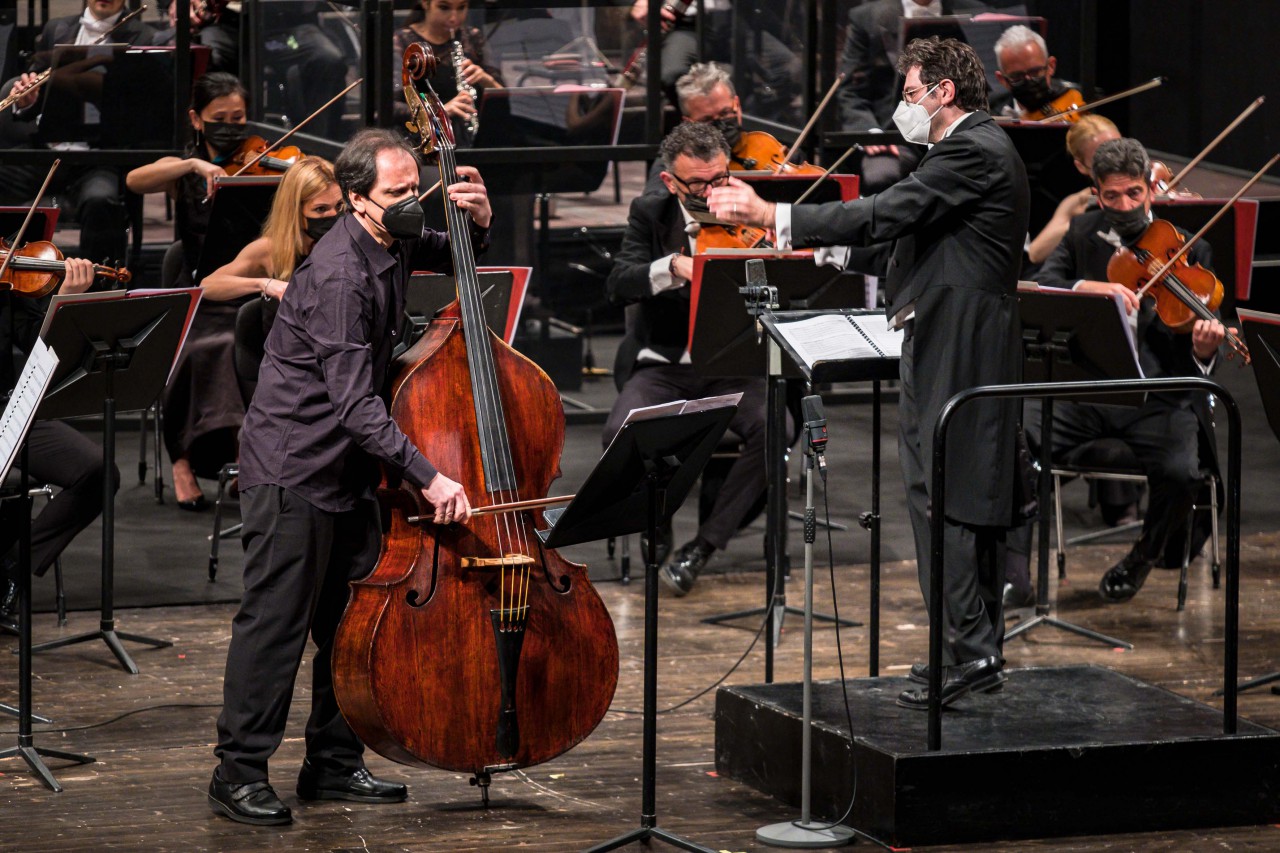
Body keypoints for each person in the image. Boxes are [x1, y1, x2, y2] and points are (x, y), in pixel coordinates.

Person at [711, 36, 1029, 707]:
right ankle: (967, 647)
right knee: (946, 486)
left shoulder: (972, 147)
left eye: (910, 93)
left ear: (944, 92)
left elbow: (886, 212)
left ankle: (970, 651)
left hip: (960, 338)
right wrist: (821, 252)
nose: (901, 109)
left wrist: (776, 213)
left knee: (945, 488)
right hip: (951, 332)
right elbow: (906, 247)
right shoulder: (967, 154)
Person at [208, 127, 489, 826]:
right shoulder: (338, 273)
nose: (410, 205)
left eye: (414, 189)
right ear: (357, 200)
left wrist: (479, 219)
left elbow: (456, 253)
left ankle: (332, 762)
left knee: (353, 626)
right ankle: (236, 772)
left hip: (350, 470)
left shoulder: (388, 242)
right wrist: (429, 476)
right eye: (397, 195)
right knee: (276, 626)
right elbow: (355, 404)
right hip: (295, 467)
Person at [1017, 137, 1227, 605]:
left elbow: (1202, 346)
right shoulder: (1082, 232)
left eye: (1134, 194)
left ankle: (1144, 555)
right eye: (1111, 196)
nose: (1124, 206)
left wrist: (1203, 349)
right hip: (1092, 390)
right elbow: (1045, 284)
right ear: (1096, 192)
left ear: (1151, 189)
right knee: (1017, 442)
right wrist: (1089, 286)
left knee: (1180, 471)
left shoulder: (1191, 247)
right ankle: (1013, 574)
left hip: (1159, 397)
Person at [604, 121, 771, 597]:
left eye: (718, 178)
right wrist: (673, 266)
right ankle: (654, 521)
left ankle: (703, 546)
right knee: (619, 432)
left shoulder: (750, 207)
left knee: (773, 426)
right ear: (670, 182)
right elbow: (619, 282)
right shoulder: (650, 211)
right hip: (665, 365)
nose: (710, 190)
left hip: (731, 364)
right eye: (697, 183)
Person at [126, 72, 252, 511]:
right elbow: (135, 180)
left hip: (247, 290)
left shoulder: (258, 161)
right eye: (220, 118)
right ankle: (181, 460)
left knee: (245, 343)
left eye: (239, 117)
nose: (232, 126)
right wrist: (194, 165)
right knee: (198, 349)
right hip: (197, 298)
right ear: (196, 119)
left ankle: (244, 455)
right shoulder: (184, 170)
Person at [0, 259, 118, 625]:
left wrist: (64, 301)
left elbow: (42, 346)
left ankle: (12, 571)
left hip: (7, 408)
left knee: (98, 471)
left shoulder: (6, 284)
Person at [0, 0, 154, 266]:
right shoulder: (56, 28)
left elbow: (142, 106)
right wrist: (27, 100)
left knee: (100, 200)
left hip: (98, 159)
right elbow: (37, 94)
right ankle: (10, 277)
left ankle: (97, 287)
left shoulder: (144, 35)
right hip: (46, 153)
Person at [836, 0, 986, 195]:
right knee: (881, 175)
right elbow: (850, 91)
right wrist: (870, 133)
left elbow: (986, 83)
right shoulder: (866, 18)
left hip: (955, 130)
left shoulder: (973, 11)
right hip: (893, 136)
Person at [202, 155, 342, 306]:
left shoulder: (345, 240)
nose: (334, 216)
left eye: (339, 205)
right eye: (321, 209)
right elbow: (207, 286)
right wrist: (264, 284)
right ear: (294, 211)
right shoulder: (269, 249)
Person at [628, 0, 798, 122]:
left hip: (734, 18)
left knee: (793, 71)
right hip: (684, 23)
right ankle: (700, 129)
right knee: (672, 74)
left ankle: (746, 126)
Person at [392, 0, 503, 141]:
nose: (454, 18)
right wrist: (439, 112)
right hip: (423, 139)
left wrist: (486, 80)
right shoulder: (402, 40)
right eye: (444, 8)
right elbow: (390, 106)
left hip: (475, 137)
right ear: (425, 4)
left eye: (462, 7)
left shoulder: (472, 37)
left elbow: (504, 96)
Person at [1025, 114, 1121, 266]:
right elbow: (1036, 253)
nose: (1116, 162)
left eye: (1119, 149)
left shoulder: (1149, 185)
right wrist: (1087, 221)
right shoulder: (1079, 202)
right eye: (1101, 158)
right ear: (1081, 166)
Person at [989, 24, 1080, 122]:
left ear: (1051, 66)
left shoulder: (1077, 100)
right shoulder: (989, 112)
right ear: (1002, 79)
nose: (1029, 81)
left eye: (1035, 72)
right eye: (1017, 76)